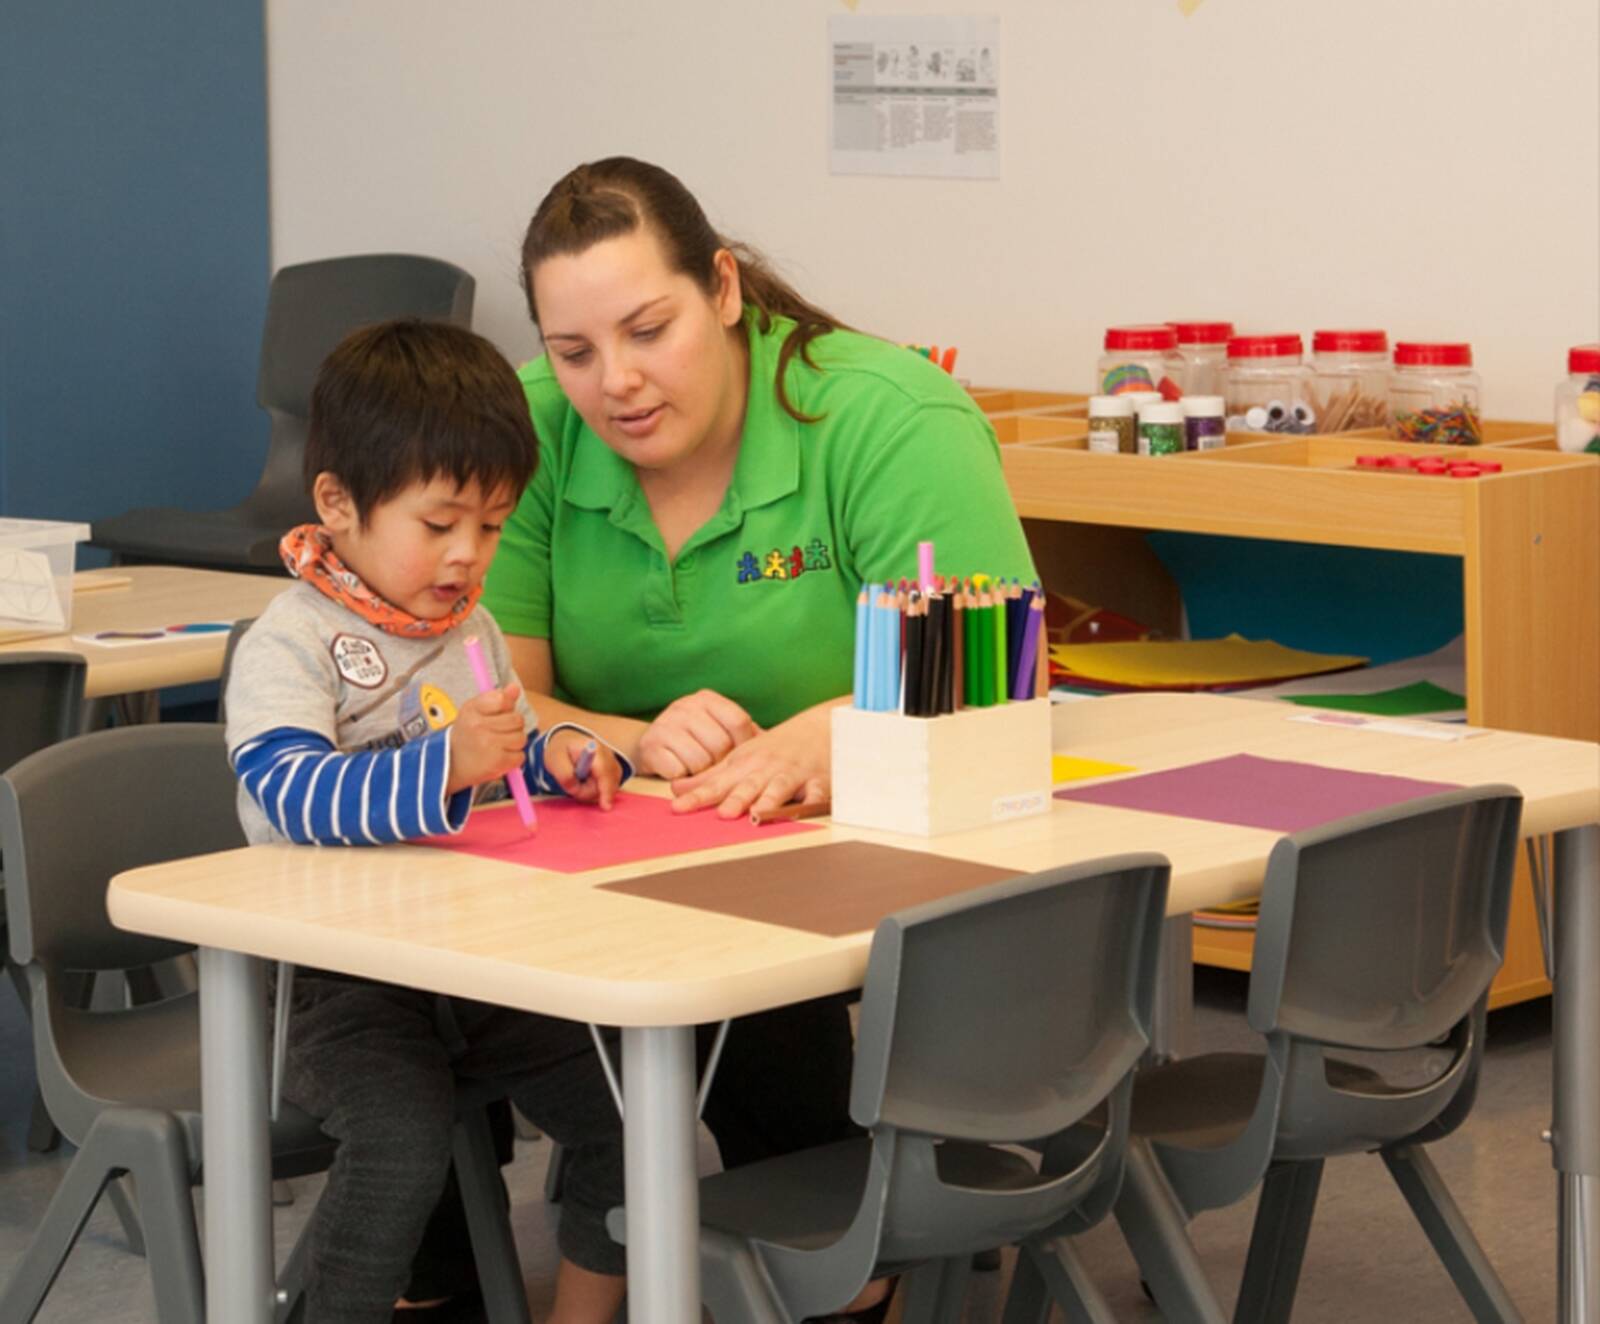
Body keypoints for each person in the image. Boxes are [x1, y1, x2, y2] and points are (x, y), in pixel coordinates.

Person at [482, 156, 1037, 1321]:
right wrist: (632, 735)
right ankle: (438, 1279)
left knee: (761, 1002)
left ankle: (842, 1266)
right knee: (400, 1003)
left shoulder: (886, 418)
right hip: (612, 853)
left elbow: (994, 673)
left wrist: (819, 738)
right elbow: (496, 702)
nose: (614, 383)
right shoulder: (529, 426)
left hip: (865, 853)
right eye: (573, 351)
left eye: (649, 329)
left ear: (725, 288)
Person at [224, 319, 630, 1324]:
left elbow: (506, 751)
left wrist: (561, 756)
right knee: (400, 1146)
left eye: (490, 527)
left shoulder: (473, 627)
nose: (466, 556)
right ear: (338, 503)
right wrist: (445, 766)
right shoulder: (292, 640)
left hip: (472, 961)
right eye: (440, 522)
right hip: (335, 984)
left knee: (632, 1122)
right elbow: (292, 794)